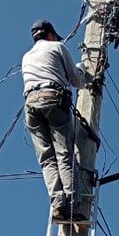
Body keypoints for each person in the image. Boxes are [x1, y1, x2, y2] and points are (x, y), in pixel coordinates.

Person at [21, 20, 90, 222]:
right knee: (63, 154)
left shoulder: (27, 56)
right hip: (53, 98)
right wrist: (81, 70)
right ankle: (71, 205)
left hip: (31, 105)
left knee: (47, 158)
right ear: (50, 34)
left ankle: (58, 202)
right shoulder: (57, 47)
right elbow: (77, 81)